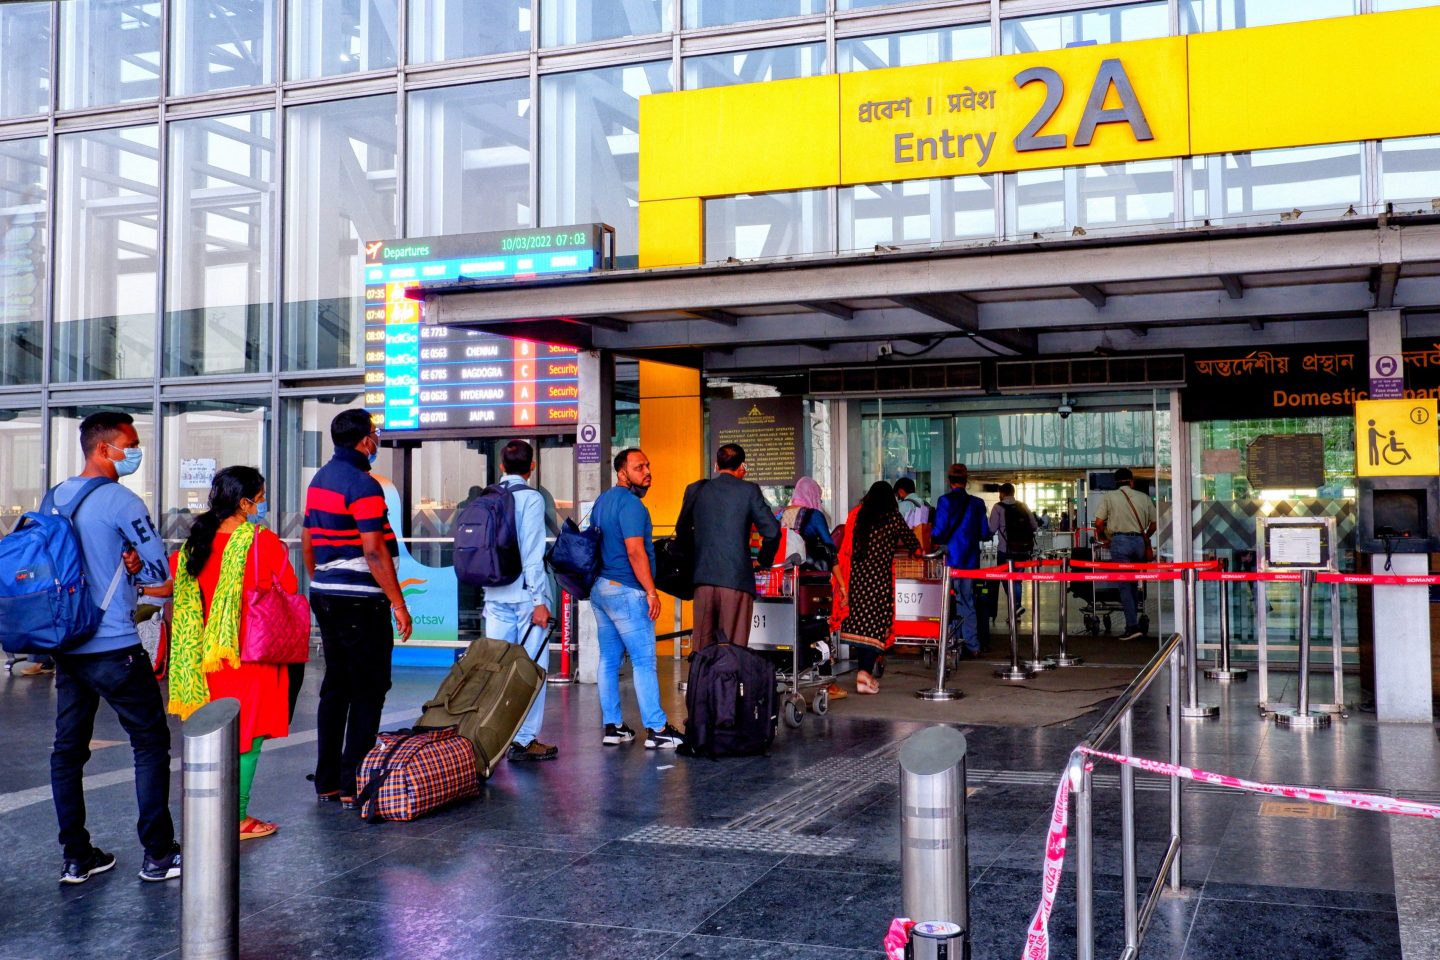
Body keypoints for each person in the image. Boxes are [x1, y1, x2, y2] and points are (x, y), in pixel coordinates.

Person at [47, 411, 181, 884]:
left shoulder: (54, 497)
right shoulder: (123, 501)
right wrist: (136, 569)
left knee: (68, 751)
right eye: (132, 443)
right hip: (114, 646)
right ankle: (158, 854)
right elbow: (161, 577)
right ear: (105, 448)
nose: (136, 452)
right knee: (150, 743)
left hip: (67, 644)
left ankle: (76, 856)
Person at [166, 466, 297, 841]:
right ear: (244, 502)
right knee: (248, 737)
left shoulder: (195, 543)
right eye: (261, 497)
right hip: (249, 654)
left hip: (204, 657)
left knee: (213, 733)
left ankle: (209, 809)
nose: (263, 503)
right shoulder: (262, 541)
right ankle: (236, 817)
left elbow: (175, 585)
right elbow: (288, 587)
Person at [303, 409, 413, 807]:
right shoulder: (363, 484)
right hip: (360, 600)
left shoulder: (319, 480)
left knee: (336, 686)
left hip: (325, 593)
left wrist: (323, 580)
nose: (377, 439)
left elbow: (308, 541)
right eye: (375, 433)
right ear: (365, 441)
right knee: (369, 688)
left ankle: (328, 780)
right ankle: (353, 782)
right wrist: (398, 603)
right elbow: (374, 551)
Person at [589, 449, 684, 749]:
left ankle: (613, 727)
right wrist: (651, 592)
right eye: (638, 467)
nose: (647, 471)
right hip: (626, 590)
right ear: (622, 473)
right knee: (644, 661)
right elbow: (635, 551)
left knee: (608, 660)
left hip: (601, 589)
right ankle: (657, 729)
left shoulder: (602, 501)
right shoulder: (631, 505)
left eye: (647, 465)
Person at [482, 440, 558, 762]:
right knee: (531, 668)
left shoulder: (487, 497)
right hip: (526, 598)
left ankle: (489, 736)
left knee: (495, 668)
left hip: (494, 594)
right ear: (532, 467)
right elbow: (532, 553)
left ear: (501, 467)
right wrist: (540, 600)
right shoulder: (531, 498)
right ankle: (524, 740)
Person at [676, 443, 781, 650]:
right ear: (742, 466)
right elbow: (772, 531)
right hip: (736, 579)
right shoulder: (749, 491)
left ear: (716, 465)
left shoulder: (696, 489)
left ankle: (703, 673)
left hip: (703, 581)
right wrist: (763, 561)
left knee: (702, 648)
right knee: (732, 648)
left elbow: (682, 530)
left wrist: (697, 559)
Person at [830, 481, 921, 694]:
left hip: (856, 580)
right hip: (879, 582)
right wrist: (916, 551)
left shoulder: (858, 515)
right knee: (875, 627)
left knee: (861, 626)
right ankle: (864, 674)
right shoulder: (892, 517)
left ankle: (864, 672)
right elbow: (914, 545)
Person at [932, 464, 990, 658]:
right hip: (970, 561)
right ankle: (972, 645)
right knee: (967, 601)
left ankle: (950, 643)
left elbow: (938, 532)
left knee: (948, 603)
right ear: (966, 481)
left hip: (950, 560)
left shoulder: (944, 501)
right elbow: (984, 533)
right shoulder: (977, 504)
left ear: (949, 481)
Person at [1093, 468, 1157, 642]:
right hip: (1139, 543)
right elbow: (1154, 523)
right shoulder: (1144, 497)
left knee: (1124, 585)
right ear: (1131, 482)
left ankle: (1132, 626)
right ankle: (1134, 620)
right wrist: (1145, 537)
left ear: (1116, 483)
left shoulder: (1109, 497)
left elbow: (1098, 523)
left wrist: (1105, 538)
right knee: (1134, 583)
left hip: (1120, 542)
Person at [989, 482, 1039, 619]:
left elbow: (992, 529)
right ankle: (1015, 610)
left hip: (1005, 550)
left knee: (1005, 578)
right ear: (1013, 492)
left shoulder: (998, 507)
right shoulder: (1023, 506)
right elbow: (1034, 526)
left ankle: (1016, 606)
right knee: (1017, 580)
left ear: (1002, 493)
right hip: (1023, 550)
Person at [779, 476, 835, 563]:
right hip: (807, 567)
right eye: (818, 498)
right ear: (813, 495)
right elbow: (829, 545)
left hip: (780, 566)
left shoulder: (780, 513)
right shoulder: (815, 516)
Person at [893, 477, 932, 551]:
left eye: (896, 495)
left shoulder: (902, 505)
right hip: (923, 543)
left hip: (907, 546)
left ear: (900, 491)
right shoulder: (924, 503)